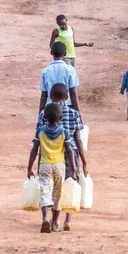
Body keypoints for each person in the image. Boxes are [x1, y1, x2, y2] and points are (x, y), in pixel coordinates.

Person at [36, 83, 88, 232]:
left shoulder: (43, 114)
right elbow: (78, 139)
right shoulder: (74, 113)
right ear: (66, 97)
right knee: (70, 185)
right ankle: (67, 220)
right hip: (71, 152)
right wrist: (83, 162)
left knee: (51, 187)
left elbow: (40, 137)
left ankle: (53, 220)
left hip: (50, 154)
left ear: (51, 97)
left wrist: (38, 161)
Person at [27, 102, 76, 233]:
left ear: (45, 118)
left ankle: (44, 219)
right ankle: (54, 222)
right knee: (57, 194)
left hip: (44, 165)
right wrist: (73, 169)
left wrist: (29, 167)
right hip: (59, 166)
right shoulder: (64, 132)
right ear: (60, 118)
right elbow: (70, 151)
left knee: (45, 192)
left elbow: (34, 150)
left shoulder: (40, 131)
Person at [39, 42, 80, 111]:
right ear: (65, 54)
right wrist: (78, 114)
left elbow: (44, 95)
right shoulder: (70, 70)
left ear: (51, 52)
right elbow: (73, 93)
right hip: (67, 105)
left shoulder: (45, 71)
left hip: (50, 106)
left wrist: (40, 115)